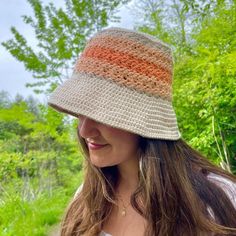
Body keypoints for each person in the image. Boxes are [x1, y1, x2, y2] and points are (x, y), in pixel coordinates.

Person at [48, 27, 236, 236]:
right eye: (81, 112)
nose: (84, 130)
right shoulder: (86, 197)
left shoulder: (216, 200)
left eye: (102, 115)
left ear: (144, 120)